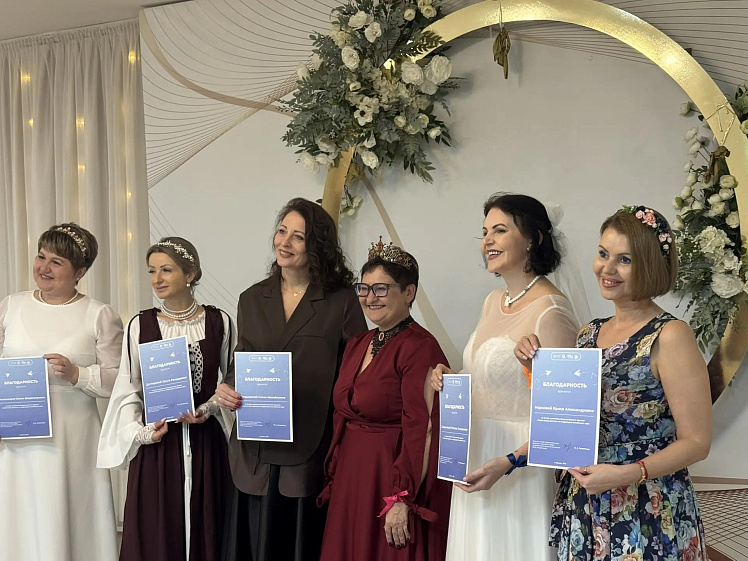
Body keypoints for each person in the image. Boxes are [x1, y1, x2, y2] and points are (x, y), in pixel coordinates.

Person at [516, 206, 710, 561]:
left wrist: (627, 474)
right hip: (586, 500)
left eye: (625, 260)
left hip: (647, 505)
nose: (607, 268)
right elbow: (568, 419)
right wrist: (535, 368)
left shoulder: (670, 335)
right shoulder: (588, 333)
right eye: (603, 254)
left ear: (650, 266)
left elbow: (697, 443)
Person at [216, 197, 368, 561]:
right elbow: (242, 358)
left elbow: (357, 367)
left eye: (298, 236)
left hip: (310, 439)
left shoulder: (341, 301)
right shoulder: (252, 298)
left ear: (317, 245)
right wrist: (229, 387)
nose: (284, 242)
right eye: (282, 231)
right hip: (255, 439)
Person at [431, 194, 580, 560]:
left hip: (520, 466)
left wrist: (511, 462)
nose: (487, 241)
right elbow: (489, 376)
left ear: (532, 239)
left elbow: (564, 418)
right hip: (477, 454)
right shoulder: (493, 301)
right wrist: (452, 378)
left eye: (499, 230)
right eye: (485, 232)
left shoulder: (551, 310)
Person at [98, 237, 236, 561]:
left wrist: (208, 408)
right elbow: (129, 387)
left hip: (206, 443)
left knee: (208, 524)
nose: (156, 279)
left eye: (166, 270)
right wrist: (143, 432)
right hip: (159, 446)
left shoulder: (219, 321)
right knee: (157, 528)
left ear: (190, 274)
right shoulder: (139, 325)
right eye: (151, 271)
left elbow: (233, 378)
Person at [319, 239, 452, 561]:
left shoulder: (420, 347)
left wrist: (402, 497)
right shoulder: (357, 343)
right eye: (364, 289)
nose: (370, 298)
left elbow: (424, 427)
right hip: (352, 473)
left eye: (381, 288)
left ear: (409, 292)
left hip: (389, 474)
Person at [0, 223, 121, 561]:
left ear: (79, 272)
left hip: (73, 438)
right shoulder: (10, 306)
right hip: (17, 437)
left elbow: (119, 379)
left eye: (57, 262)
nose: (44, 267)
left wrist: (77, 374)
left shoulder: (99, 314)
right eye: (41, 257)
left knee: (70, 517)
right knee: (20, 517)